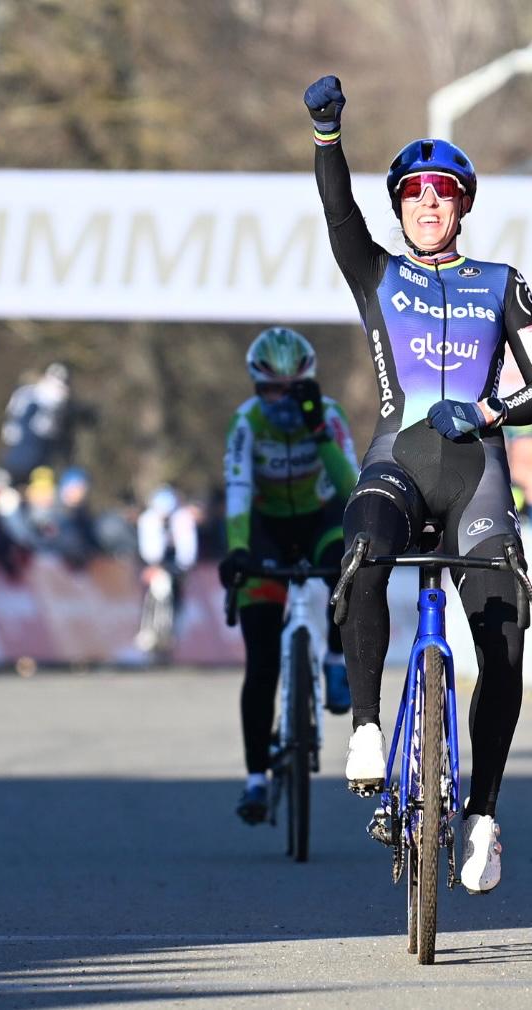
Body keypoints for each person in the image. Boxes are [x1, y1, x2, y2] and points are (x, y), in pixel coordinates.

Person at [305, 74, 532, 893]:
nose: (427, 204)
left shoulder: (503, 283)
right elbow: (338, 212)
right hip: (398, 464)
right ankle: (370, 728)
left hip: (476, 472)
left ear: (462, 207)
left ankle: (483, 813)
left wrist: (490, 410)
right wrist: (326, 136)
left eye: (442, 194)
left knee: (505, 633)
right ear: (400, 208)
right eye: (413, 194)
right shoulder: (375, 272)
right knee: (365, 550)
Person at [219, 327, 359, 825]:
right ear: (257, 387)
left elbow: (351, 487)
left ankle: (338, 659)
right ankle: (255, 778)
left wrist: (317, 429)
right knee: (261, 664)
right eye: (270, 390)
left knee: (351, 558)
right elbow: (237, 491)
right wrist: (237, 550)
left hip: (321, 519)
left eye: (292, 388)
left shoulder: (330, 415)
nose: (280, 399)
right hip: (265, 531)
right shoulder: (246, 423)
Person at [136, 485, 199, 655]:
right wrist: (155, 567)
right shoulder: (148, 520)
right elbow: (150, 551)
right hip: (156, 565)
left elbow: (187, 550)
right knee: (158, 589)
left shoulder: (182, 518)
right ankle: (150, 631)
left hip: (176, 567)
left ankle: (171, 636)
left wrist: (181, 569)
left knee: (177, 600)